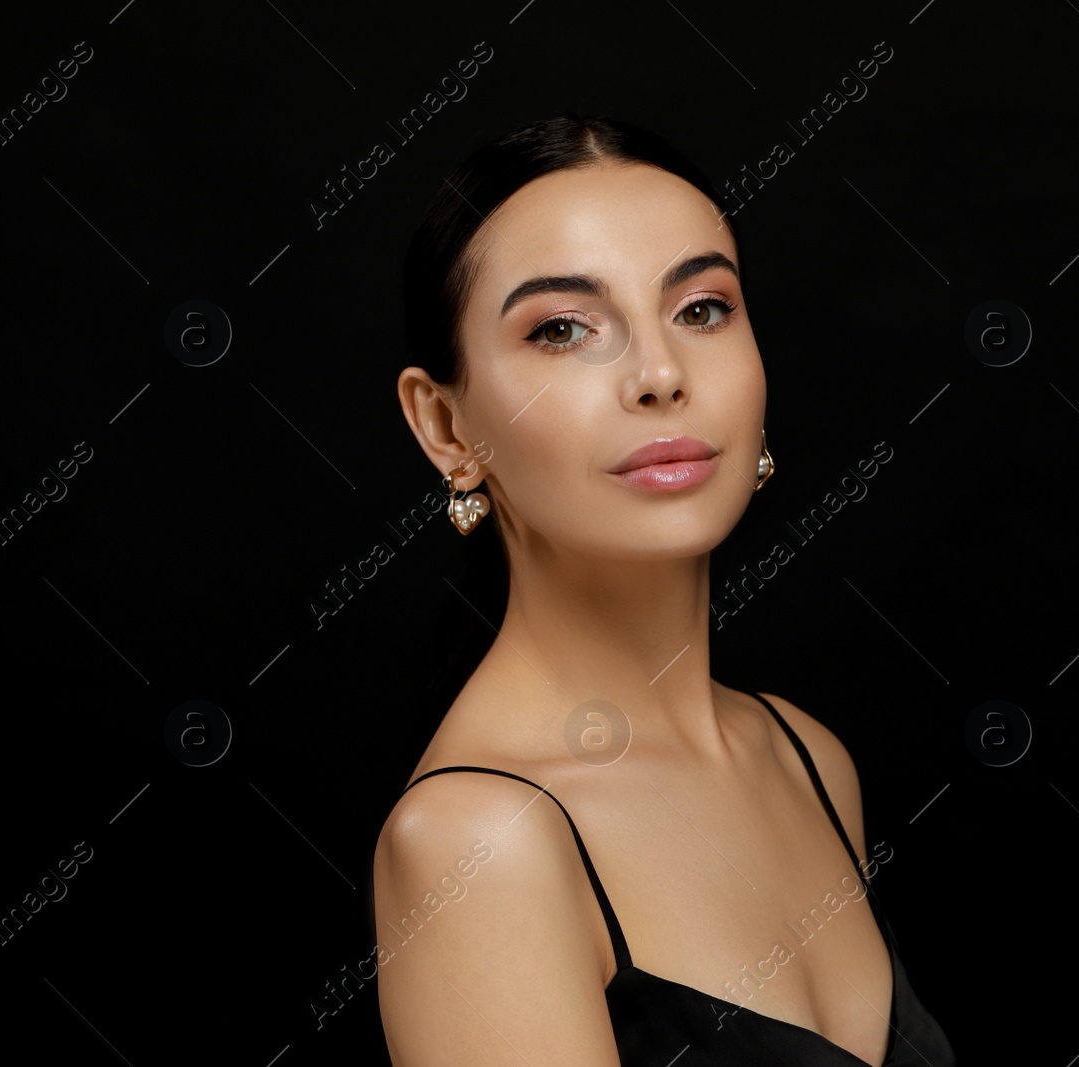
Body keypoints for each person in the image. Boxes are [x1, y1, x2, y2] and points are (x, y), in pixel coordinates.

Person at [371, 114, 955, 1066]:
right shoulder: (476, 843)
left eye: (701, 309)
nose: (658, 374)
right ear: (444, 426)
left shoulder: (806, 756)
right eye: (562, 328)